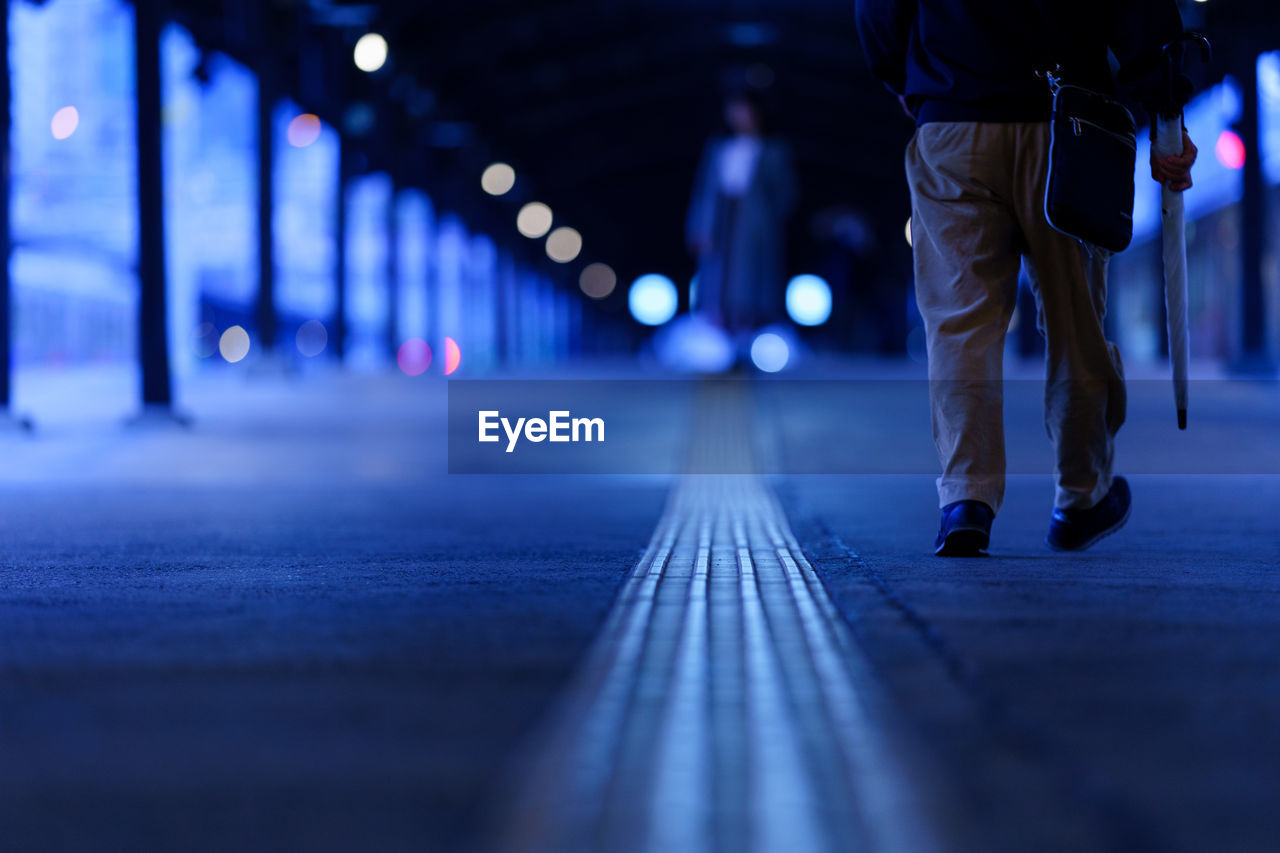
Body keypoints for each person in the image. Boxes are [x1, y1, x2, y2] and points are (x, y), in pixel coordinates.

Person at [855, 0, 1198, 555]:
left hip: (953, 124)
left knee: (959, 323)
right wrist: (1164, 112)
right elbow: (1139, 14)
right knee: (1075, 319)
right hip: (1067, 126)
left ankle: (967, 497)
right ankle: (1081, 495)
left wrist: (908, 78)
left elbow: (878, 10)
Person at [686, 89, 797, 342]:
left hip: (754, 222)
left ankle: (746, 333)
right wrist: (700, 228)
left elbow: (785, 192)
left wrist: (768, 218)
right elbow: (704, 189)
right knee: (716, 276)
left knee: (749, 278)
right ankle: (717, 334)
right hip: (721, 218)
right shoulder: (718, 148)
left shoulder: (772, 150)